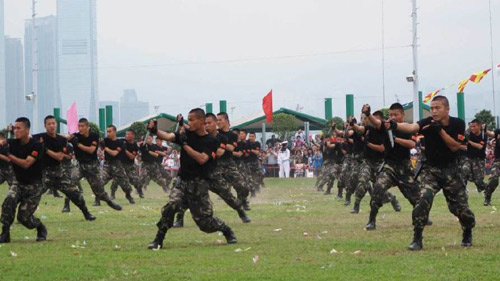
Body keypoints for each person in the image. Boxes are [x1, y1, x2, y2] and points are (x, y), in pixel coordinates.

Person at [146, 108, 237, 250]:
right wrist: (155, 131)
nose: (190, 122)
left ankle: (226, 230)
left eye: (192, 119)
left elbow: (202, 159)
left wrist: (185, 145)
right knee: (172, 206)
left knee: (205, 223)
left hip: (199, 184)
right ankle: (158, 239)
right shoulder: (186, 134)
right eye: (189, 119)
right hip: (183, 181)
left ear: (201, 121)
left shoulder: (211, 140)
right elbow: (169, 136)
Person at [393, 95, 475, 250]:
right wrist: (393, 125)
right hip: (430, 170)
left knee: (461, 209)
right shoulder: (427, 122)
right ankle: (417, 237)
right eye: (432, 108)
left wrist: (440, 131)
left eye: (438, 108)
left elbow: (454, 146)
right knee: (424, 197)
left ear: (447, 109)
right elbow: (411, 128)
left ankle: (467, 230)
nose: (434, 111)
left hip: (451, 170)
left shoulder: (458, 123)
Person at [171, 113, 251, 227]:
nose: (207, 125)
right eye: (205, 123)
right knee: (186, 194)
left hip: (213, 171)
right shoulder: (199, 135)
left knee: (226, 193)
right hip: (199, 171)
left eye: (210, 123)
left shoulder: (221, 137)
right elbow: (188, 129)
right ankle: (179, 218)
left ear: (215, 124)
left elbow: (220, 152)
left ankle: (241, 212)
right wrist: (181, 123)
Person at [361, 103, 424, 231]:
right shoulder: (386, 126)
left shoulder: (407, 128)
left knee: (416, 196)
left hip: (404, 166)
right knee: (378, 187)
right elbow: (377, 123)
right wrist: (368, 114)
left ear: (402, 115)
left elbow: (412, 144)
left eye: (395, 114)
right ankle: (371, 220)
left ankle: (422, 217)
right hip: (389, 166)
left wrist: (396, 139)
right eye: (390, 114)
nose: (392, 117)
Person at [32, 115, 96, 220]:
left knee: (75, 193)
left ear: (56, 125)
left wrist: (45, 148)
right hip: (44, 173)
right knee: (33, 194)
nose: (52, 126)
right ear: (45, 126)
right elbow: (26, 138)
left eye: (53, 123)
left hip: (58, 173)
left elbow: (59, 157)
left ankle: (86, 213)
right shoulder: (39, 137)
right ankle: (26, 216)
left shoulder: (61, 140)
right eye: (49, 124)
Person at [0, 117, 48, 243]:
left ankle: (39, 227)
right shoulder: (11, 143)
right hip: (19, 182)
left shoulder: (37, 145)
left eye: (19, 128)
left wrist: (9, 155)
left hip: (34, 186)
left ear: (27, 130)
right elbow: (2, 143)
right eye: (14, 128)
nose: (15, 131)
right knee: (8, 202)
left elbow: (26, 163)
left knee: (24, 218)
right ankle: (5, 234)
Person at [67, 118, 122, 211]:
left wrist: (77, 144)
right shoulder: (75, 136)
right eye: (79, 126)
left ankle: (109, 202)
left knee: (99, 190)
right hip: (80, 166)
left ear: (87, 127)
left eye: (82, 126)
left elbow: (91, 150)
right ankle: (66, 205)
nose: (80, 128)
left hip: (92, 167)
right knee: (69, 182)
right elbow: (65, 137)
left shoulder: (94, 136)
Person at [96, 125, 135, 205]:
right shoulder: (105, 140)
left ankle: (128, 196)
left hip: (117, 165)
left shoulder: (120, 142)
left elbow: (114, 153)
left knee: (125, 184)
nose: (108, 133)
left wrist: (105, 148)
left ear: (114, 132)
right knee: (99, 182)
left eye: (110, 131)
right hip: (107, 165)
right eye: (107, 131)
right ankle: (97, 199)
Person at [109, 129, 144, 198]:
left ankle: (140, 192)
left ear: (133, 136)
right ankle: (112, 194)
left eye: (129, 134)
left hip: (130, 165)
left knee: (136, 180)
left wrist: (125, 150)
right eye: (126, 134)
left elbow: (131, 157)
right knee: (116, 180)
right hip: (120, 165)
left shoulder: (135, 146)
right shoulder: (122, 141)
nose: (127, 136)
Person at [461, 120, 487, 193]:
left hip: (479, 159)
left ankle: (484, 187)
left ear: (479, 126)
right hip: (469, 158)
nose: (472, 128)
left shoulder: (483, 135)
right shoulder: (468, 134)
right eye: (471, 126)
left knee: (478, 180)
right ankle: (462, 191)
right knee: (464, 171)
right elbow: (465, 133)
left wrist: (469, 141)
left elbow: (479, 146)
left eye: (474, 126)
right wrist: (470, 127)